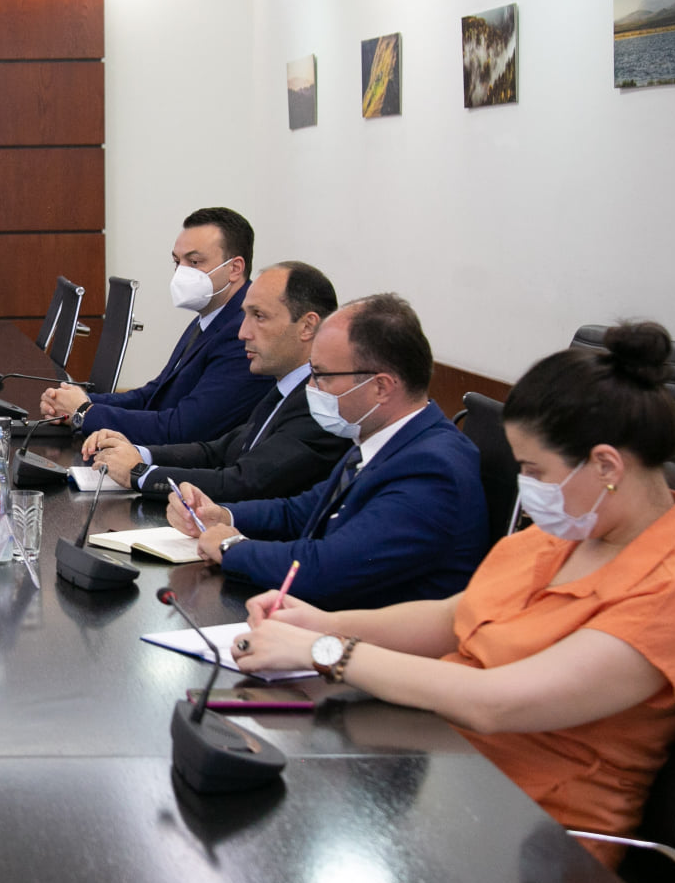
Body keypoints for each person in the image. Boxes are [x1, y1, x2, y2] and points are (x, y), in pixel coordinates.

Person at [226, 322, 675, 867]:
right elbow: (454, 617)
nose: (528, 490)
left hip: (536, 838)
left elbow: (496, 702)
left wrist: (326, 652)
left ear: (606, 465)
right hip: (444, 766)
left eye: (535, 470)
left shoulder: (673, 599)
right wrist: (321, 623)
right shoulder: (569, 533)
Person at [168, 293, 488, 609]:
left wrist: (231, 547)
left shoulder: (432, 469)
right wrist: (221, 515)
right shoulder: (381, 439)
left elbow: (326, 569)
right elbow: (303, 511)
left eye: (321, 376)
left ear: (381, 387)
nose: (310, 388)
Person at [82, 260, 348, 502]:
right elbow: (219, 451)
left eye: (259, 316)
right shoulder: (284, 388)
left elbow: (244, 482)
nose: (243, 332)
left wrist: (139, 473)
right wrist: (140, 453)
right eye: (245, 315)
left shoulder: (322, 403)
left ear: (307, 326)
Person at [39, 207, 273, 444]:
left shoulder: (243, 333)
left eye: (194, 262)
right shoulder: (211, 316)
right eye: (177, 262)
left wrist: (83, 413)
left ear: (234, 268)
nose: (181, 272)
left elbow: (184, 429)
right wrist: (79, 400)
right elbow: (155, 395)